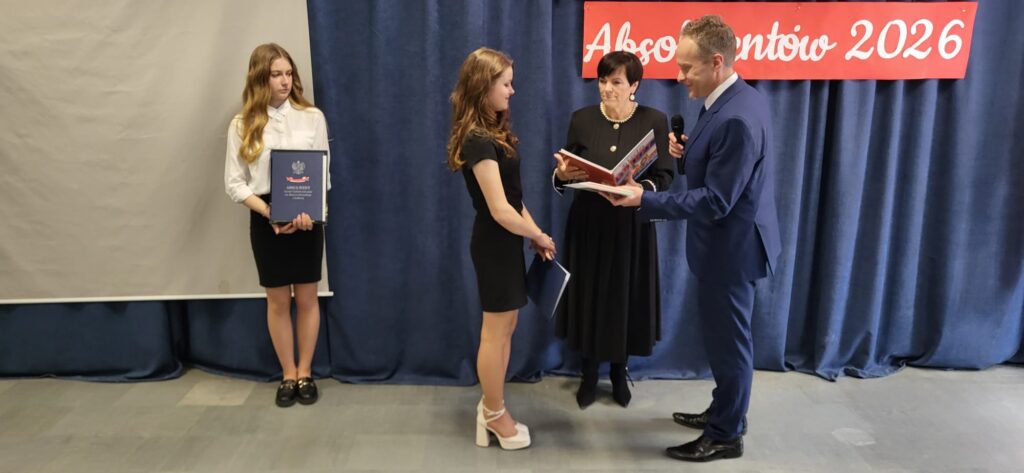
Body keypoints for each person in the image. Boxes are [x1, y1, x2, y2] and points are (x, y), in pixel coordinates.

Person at [603, 15, 782, 462]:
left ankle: (726, 434)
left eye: (687, 68)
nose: (679, 76)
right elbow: (720, 165)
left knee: (731, 346)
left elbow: (718, 200)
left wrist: (644, 200)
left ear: (716, 62)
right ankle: (726, 411)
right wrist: (686, 155)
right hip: (726, 246)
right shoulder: (733, 98)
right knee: (724, 342)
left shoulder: (736, 117)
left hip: (733, 252)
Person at [551, 51, 674, 409]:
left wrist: (639, 190)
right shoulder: (582, 119)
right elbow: (566, 171)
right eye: (602, 81)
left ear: (634, 85)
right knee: (588, 296)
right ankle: (588, 373)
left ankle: (620, 373)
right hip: (588, 225)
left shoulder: (654, 120)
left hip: (630, 227)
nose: (606, 88)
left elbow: (665, 176)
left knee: (626, 297)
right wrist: (561, 175)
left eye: (616, 82)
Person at [447, 47, 556, 450]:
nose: (512, 91)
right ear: (484, 86)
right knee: (494, 333)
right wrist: (536, 235)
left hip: (506, 242)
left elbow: (513, 200)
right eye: (506, 84)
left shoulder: (491, 133)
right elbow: (498, 209)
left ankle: (492, 406)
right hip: (494, 245)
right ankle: (493, 414)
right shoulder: (477, 140)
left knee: (506, 328)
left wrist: (534, 232)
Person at [225, 43, 330, 407]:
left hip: (307, 217)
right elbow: (234, 183)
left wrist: (307, 213)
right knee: (278, 300)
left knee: (308, 297)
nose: (285, 81)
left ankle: (305, 372)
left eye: (289, 73)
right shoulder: (241, 124)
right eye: (276, 75)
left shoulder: (312, 117)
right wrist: (271, 213)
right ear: (260, 78)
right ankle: (287, 373)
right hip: (265, 216)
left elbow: (323, 174)